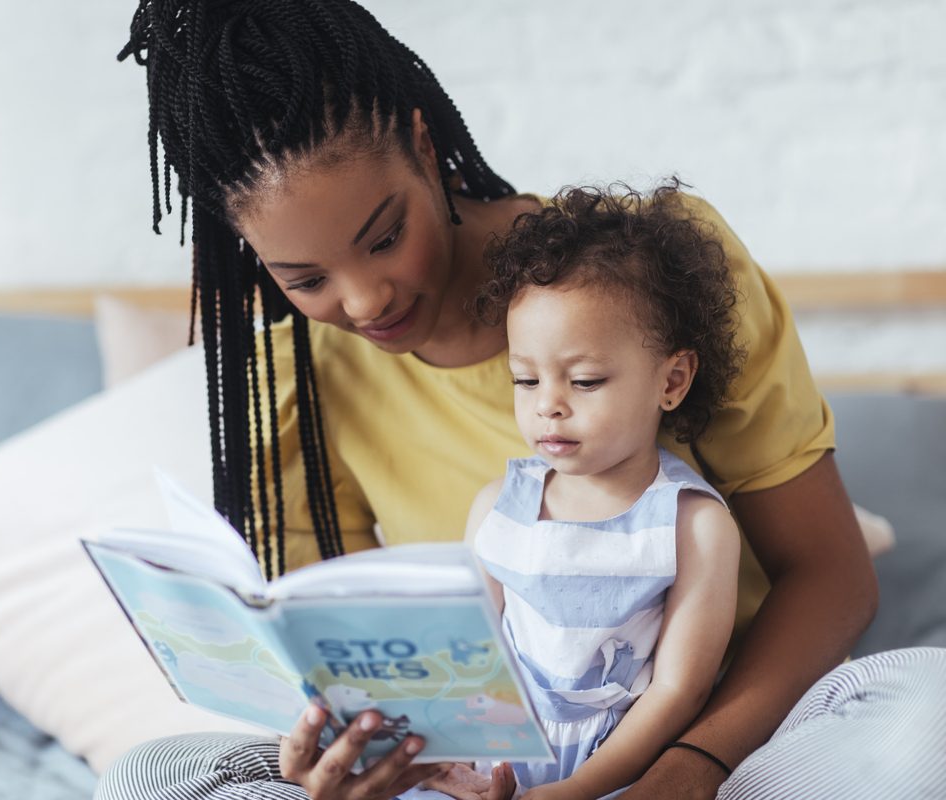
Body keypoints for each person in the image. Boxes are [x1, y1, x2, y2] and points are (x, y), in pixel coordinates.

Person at [96, 1, 946, 798]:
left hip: (727, 741)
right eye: (306, 279)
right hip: (489, 767)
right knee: (151, 773)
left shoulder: (648, 278)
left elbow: (833, 578)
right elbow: (352, 674)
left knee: (928, 710)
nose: (364, 303)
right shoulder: (290, 382)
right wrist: (347, 752)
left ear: (425, 150)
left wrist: (688, 766)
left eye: (385, 237)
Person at [416, 184, 745, 800]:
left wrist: (576, 791)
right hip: (495, 758)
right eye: (525, 378)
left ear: (671, 381)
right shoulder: (497, 508)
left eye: (586, 380)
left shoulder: (692, 525)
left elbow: (680, 690)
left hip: (623, 767)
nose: (549, 406)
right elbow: (464, 660)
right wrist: (458, 772)